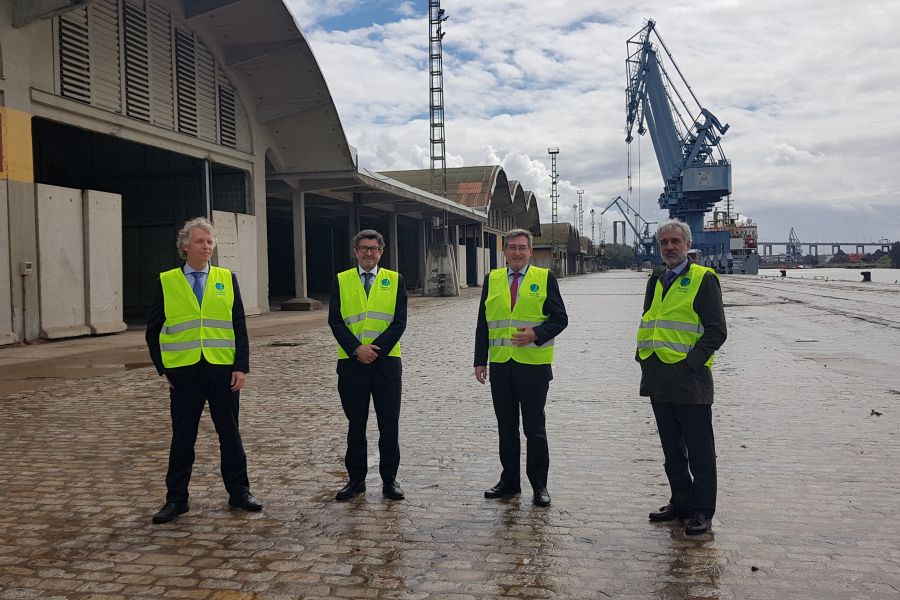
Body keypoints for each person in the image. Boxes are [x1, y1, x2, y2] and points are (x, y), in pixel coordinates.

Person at [146, 217, 262, 524]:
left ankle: (239, 492)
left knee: (230, 435)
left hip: (223, 372)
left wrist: (241, 366)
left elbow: (239, 326)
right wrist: (164, 369)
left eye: (210, 242)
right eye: (200, 241)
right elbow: (153, 330)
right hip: (184, 374)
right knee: (183, 438)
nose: (206, 247)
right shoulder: (167, 281)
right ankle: (176, 499)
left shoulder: (226, 278)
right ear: (185, 246)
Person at [637, 219, 727, 535]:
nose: (669, 247)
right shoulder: (656, 278)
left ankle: (702, 510)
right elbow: (649, 320)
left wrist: (690, 364)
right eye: (664, 242)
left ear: (688, 245)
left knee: (699, 450)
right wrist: (641, 358)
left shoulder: (704, 279)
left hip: (690, 380)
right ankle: (681, 502)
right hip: (657, 375)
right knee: (672, 449)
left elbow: (717, 331)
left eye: (675, 241)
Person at [474, 228, 568, 507]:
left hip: (533, 367)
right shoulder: (492, 279)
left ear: (530, 251)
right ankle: (509, 482)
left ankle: (540, 486)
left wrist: (536, 334)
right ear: (504, 251)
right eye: (512, 247)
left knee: (534, 430)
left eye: (522, 247)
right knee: (506, 428)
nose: (517, 252)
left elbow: (560, 318)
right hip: (501, 366)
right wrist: (480, 360)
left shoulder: (544, 278)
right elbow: (483, 323)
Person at [328, 229, 407, 501]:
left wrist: (375, 350)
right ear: (356, 251)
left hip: (386, 365)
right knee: (356, 426)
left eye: (373, 248)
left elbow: (399, 322)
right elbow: (335, 321)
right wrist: (356, 349)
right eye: (363, 248)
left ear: (381, 252)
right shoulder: (342, 280)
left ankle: (390, 480)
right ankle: (356, 480)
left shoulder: (395, 280)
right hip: (352, 365)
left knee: (389, 426)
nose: (368, 253)